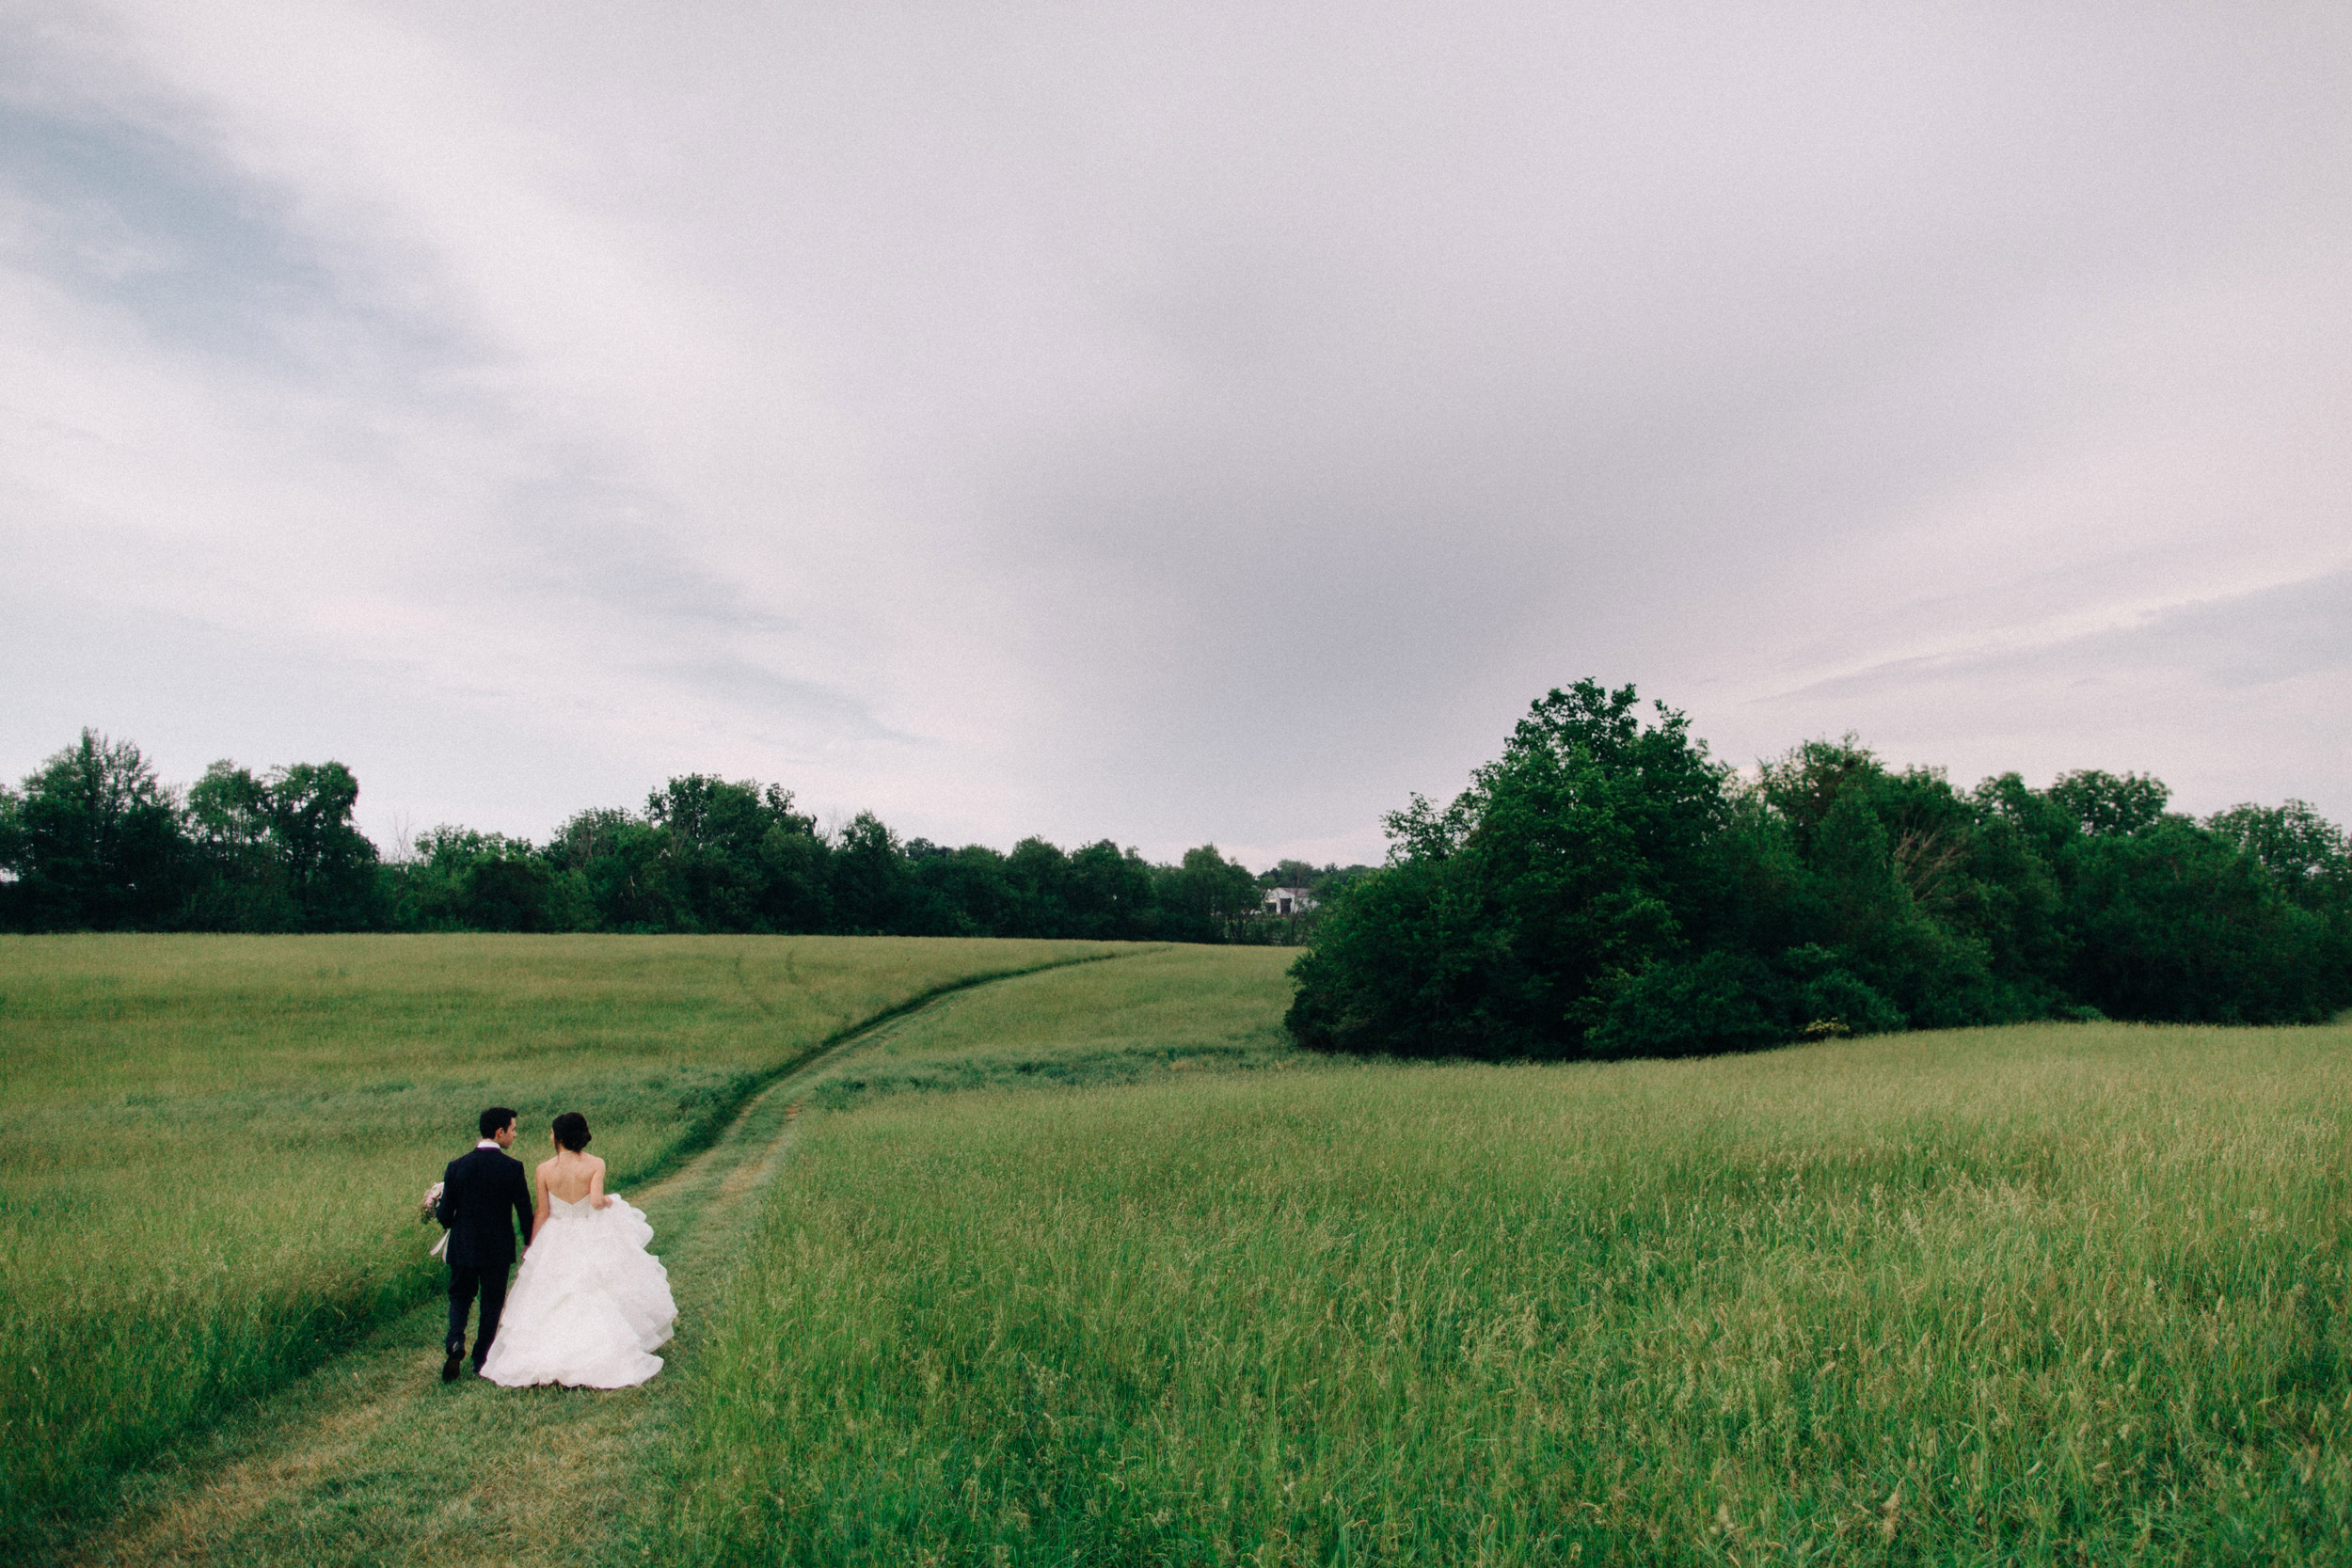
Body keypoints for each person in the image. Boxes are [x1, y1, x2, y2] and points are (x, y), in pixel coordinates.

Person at [480, 1111, 677, 1389]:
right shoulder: (595, 1164)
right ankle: (598, 1353)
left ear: (559, 1138)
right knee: (596, 1289)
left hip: (556, 1236)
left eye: (551, 1133)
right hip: (588, 1232)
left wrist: (533, 1246)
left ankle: (547, 1354)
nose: (550, 1137)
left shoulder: (544, 1169)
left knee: (550, 1295)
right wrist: (610, 1202)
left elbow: (543, 1212)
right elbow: (595, 1201)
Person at [436, 1105, 534, 1383]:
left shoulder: (456, 1166)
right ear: (499, 1132)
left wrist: (439, 1210)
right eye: (513, 1130)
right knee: (491, 1302)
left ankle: (455, 1341)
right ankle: (481, 1359)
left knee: (460, 1295)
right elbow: (524, 1210)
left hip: (463, 1245)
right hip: (497, 1248)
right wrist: (529, 1241)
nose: (515, 1135)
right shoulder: (512, 1167)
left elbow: (445, 1215)